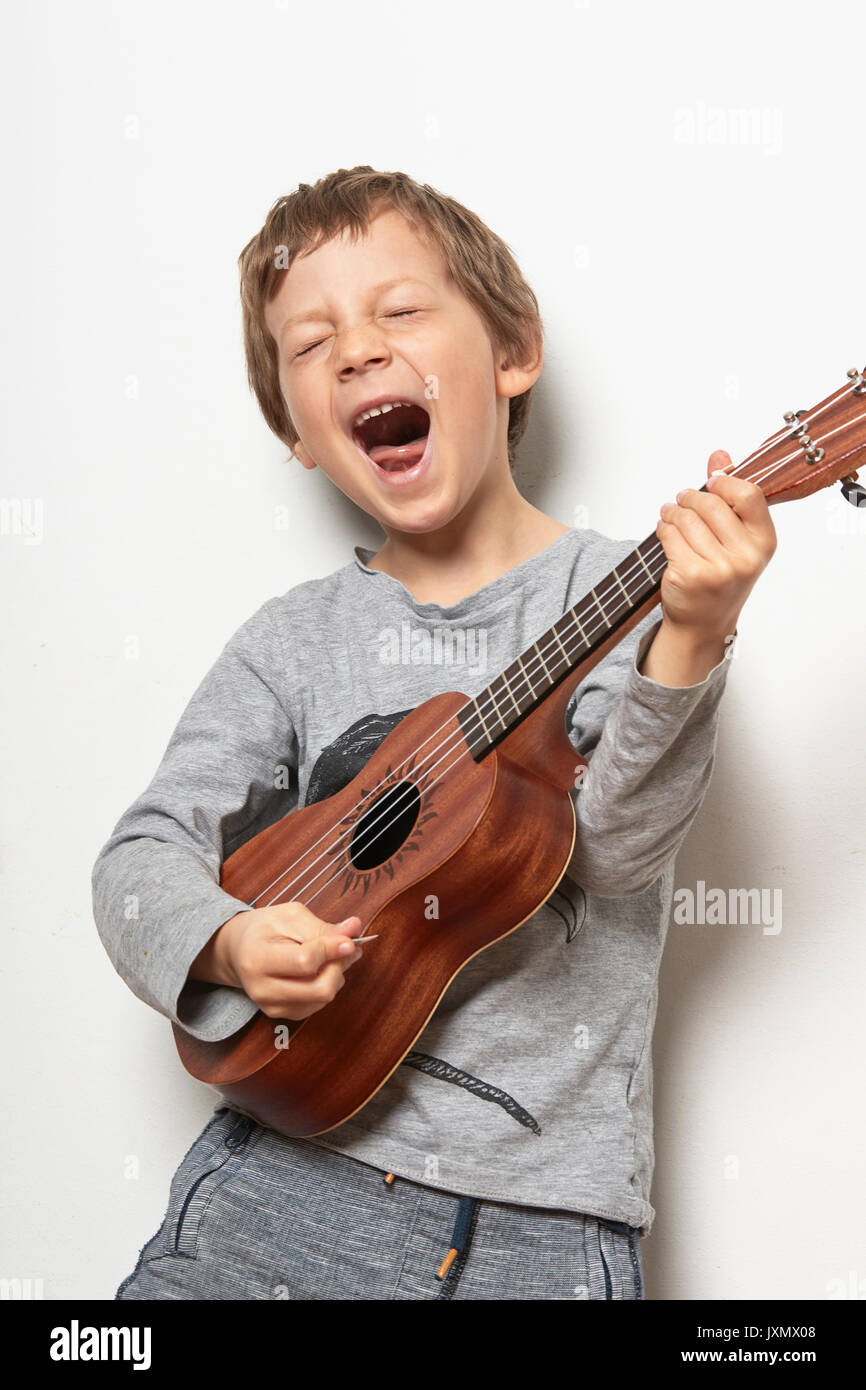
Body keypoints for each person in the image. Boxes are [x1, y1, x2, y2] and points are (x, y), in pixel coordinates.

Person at [91, 166, 777, 1300]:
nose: (357, 348)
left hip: (540, 1231)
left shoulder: (626, 593)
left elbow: (612, 855)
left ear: (511, 353)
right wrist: (222, 942)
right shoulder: (292, 639)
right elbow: (140, 855)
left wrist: (691, 639)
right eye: (311, 344)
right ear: (298, 436)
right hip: (275, 1194)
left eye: (399, 310)